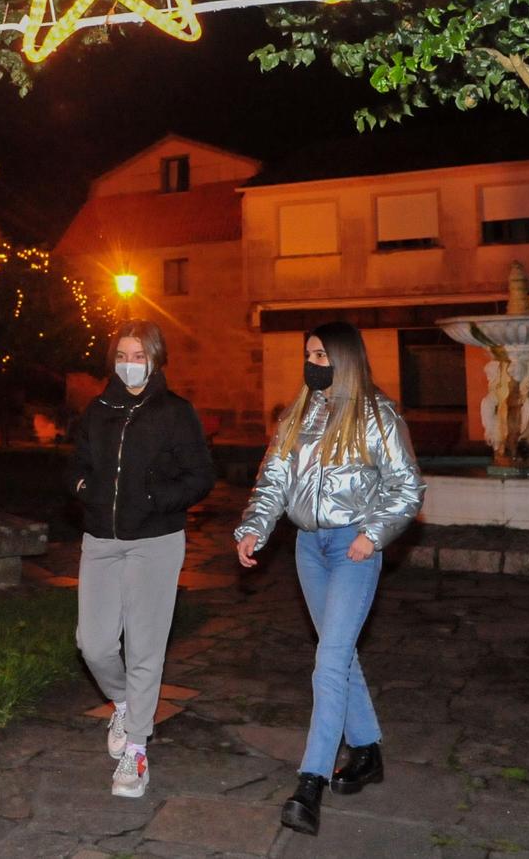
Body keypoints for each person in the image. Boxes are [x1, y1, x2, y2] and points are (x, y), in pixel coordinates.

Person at [233, 322, 425, 836]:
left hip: (352, 548)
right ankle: (366, 751)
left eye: (320, 354)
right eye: (308, 354)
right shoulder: (298, 414)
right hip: (307, 548)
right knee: (339, 654)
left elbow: (406, 487)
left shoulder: (376, 416)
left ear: (344, 359)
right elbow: (272, 479)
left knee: (329, 661)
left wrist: (374, 534)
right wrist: (254, 528)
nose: (311, 362)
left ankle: (309, 783)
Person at [67, 319, 216, 799]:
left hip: (155, 542)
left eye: (139, 356)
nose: (130, 365)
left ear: (155, 361)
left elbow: (200, 477)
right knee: (93, 644)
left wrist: (153, 498)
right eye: (123, 355)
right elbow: (77, 465)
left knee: (145, 649)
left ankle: (136, 751)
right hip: (101, 541)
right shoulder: (99, 410)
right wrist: (85, 490)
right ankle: (124, 703)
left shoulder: (174, 412)